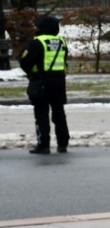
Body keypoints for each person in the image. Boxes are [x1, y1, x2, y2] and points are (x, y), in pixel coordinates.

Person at [20, 14, 68, 154]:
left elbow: (25, 62)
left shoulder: (37, 42)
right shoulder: (61, 42)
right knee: (59, 112)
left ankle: (44, 145)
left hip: (41, 80)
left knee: (41, 113)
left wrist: (32, 72)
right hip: (59, 80)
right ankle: (63, 144)